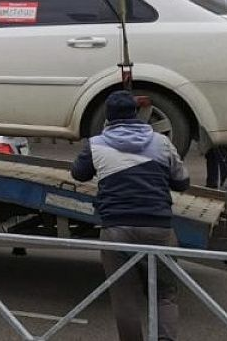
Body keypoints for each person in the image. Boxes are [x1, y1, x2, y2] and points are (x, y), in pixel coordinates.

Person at [71, 90, 190, 341]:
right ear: (136, 114)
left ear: (108, 117)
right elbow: (182, 182)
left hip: (116, 228)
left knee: (124, 296)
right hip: (158, 227)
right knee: (164, 293)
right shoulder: (161, 142)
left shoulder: (96, 144)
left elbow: (78, 174)